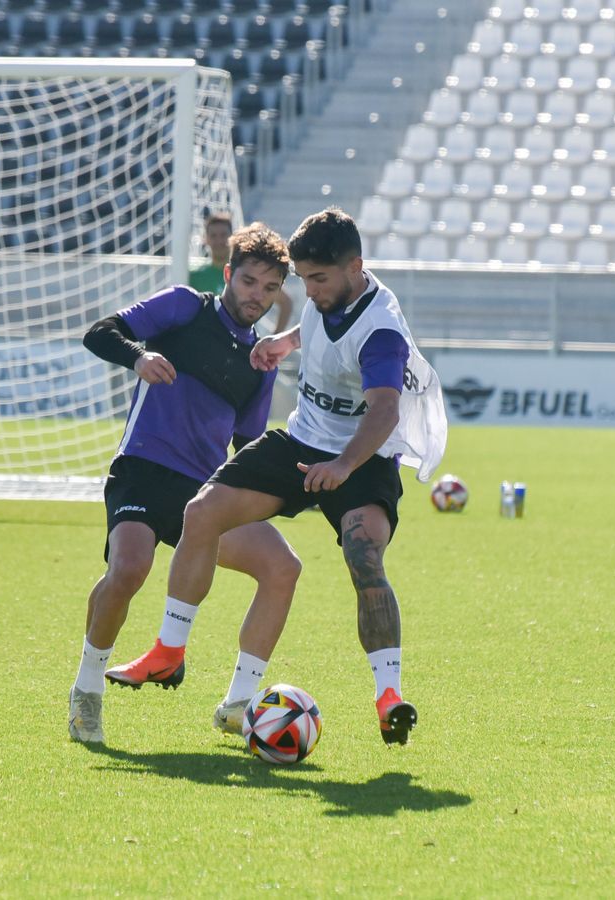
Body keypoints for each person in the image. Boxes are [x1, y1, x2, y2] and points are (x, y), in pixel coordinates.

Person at [117, 208, 447, 746]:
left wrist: (342, 466)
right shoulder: (327, 293)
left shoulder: (382, 332)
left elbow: (385, 410)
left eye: (318, 279)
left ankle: (389, 697)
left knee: (364, 557)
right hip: (300, 443)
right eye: (303, 279)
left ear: (355, 268)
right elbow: (317, 323)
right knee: (202, 512)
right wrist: (285, 342)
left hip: (363, 460)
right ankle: (169, 652)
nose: (308, 290)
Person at [70, 223, 303, 744]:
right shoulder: (184, 306)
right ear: (228, 274)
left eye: (269, 288)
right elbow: (100, 332)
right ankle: (87, 690)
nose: (257, 296)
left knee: (282, 566)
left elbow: (246, 444)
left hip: (204, 498)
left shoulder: (261, 361)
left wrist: (294, 482)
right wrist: (139, 356)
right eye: (249, 282)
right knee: (128, 570)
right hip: (143, 469)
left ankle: (238, 705)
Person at [189, 211, 294, 333]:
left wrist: (276, 337)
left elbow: (286, 303)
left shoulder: (254, 272)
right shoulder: (194, 275)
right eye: (213, 235)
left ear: (231, 236)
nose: (219, 240)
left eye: (223, 235)